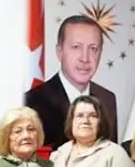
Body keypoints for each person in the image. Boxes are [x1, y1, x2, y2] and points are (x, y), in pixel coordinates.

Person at [24, 15, 118, 149]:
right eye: (76, 47)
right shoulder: (34, 100)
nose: (85, 58)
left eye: (93, 49)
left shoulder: (107, 99)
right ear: (60, 52)